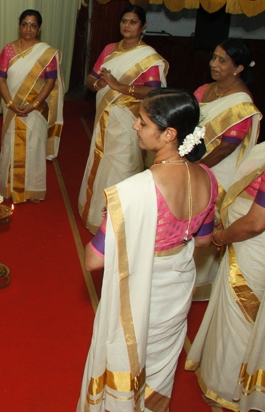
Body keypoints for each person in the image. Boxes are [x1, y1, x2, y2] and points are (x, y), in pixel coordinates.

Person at [186, 65, 265, 412]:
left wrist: (220, 237)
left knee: (240, 316)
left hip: (254, 246)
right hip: (259, 241)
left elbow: (258, 221)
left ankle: (227, 388)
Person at [79, 89, 218, 411]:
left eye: (142, 122)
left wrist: (116, 222)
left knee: (128, 361)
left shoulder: (134, 191)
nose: (135, 127)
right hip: (178, 289)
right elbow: (203, 240)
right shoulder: (207, 177)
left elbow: (93, 260)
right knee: (159, 365)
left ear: (169, 134)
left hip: (144, 290)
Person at [78, 5, 167, 233]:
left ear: (143, 26)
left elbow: (153, 91)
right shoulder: (110, 49)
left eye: (133, 22)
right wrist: (98, 83)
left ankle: (120, 222)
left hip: (130, 121)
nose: (127, 25)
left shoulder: (147, 57)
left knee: (123, 165)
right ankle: (96, 214)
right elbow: (90, 79)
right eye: (124, 21)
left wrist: (120, 87)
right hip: (104, 119)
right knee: (101, 161)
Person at [192, 39, 261, 300]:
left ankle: (202, 284)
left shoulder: (241, 103)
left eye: (222, 60)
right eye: (214, 57)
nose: (214, 64)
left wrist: (197, 167)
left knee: (207, 219)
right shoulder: (204, 90)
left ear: (239, 68)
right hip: (197, 162)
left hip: (220, 171)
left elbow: (226, 148)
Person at [0, 9, 64, 203]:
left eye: (33, 25)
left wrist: (34, 104)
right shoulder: (8, 50)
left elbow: (50, 82)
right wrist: (10, 103)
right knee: (10, 144)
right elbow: (1, 79)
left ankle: (33, 189)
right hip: (12, 106)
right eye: (25, 24)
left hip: (37, 108)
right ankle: (8, 187)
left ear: (39, 29)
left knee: (34, 146)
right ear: (19, 26)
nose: (28, 29)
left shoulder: (47, 53)